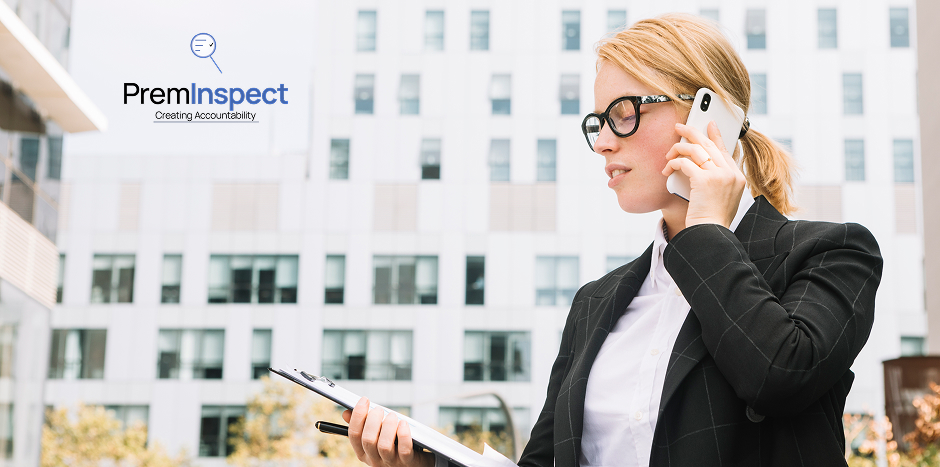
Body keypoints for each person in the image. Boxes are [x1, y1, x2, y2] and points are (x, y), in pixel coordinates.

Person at [342, 13, 883, 467]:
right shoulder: (595, 303)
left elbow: (780, 375)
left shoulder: (832, 253)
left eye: (624, 113)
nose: (602, 141)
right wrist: (428, 463)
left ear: (709, 113)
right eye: (598, 121)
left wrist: (707, 231)